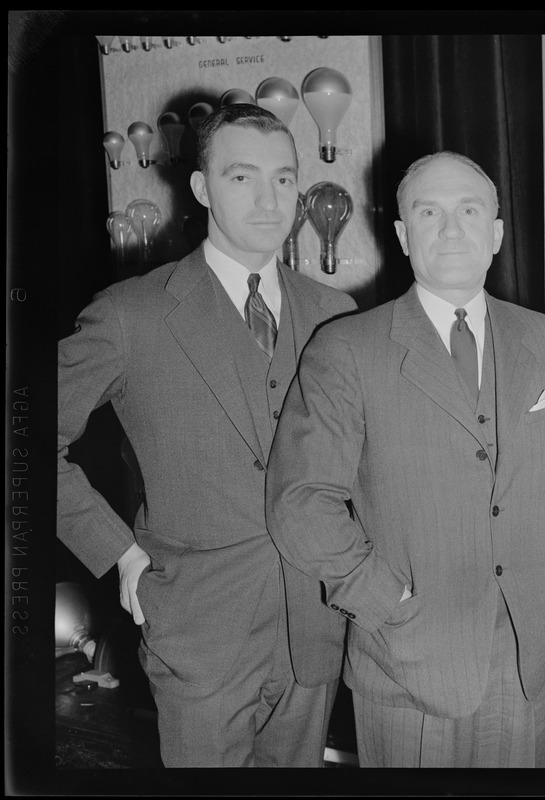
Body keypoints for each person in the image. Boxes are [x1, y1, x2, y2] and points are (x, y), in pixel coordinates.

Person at [57, 104, 357, 766]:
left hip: (313, 630)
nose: (267, 198)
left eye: (283, 179)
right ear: (201, 188)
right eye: (242, 176)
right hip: (197, 632)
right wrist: (120, 554)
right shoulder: (131, 314)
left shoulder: (337, 316)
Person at [265, 151, 545, 768]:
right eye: (428, 213)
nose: (451, 229)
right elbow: (300, 503)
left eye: (469, 210)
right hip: (404, 666)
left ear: (498, 232)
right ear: (402, 235)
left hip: (524, 665)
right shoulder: (347, 348)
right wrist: (387, 603)